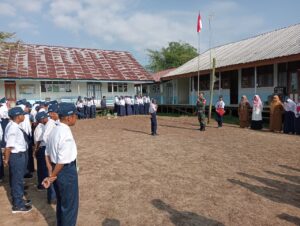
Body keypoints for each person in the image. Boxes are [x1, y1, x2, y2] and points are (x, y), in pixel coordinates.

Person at [42, 102, 79, 226]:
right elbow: (62, 161)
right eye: (75, 115)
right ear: (69, 118)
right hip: (65, 171)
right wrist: (52, 176)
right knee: (70, 206)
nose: (76, 118)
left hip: (56, 169)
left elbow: (46, 152)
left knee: (62, 203)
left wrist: (50, 169)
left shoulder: (54, 129)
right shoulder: (65, 133)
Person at [4, 107, 32, 213]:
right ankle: (18, 205)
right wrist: (6, 160)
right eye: (22, 114)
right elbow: (8, 146)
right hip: (16, 156)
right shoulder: (13, 128)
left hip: (18, 155)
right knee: (17, 181)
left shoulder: (14, 126)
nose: (24, 116)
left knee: (17, 179)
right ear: (17, 116)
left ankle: (19, 200)